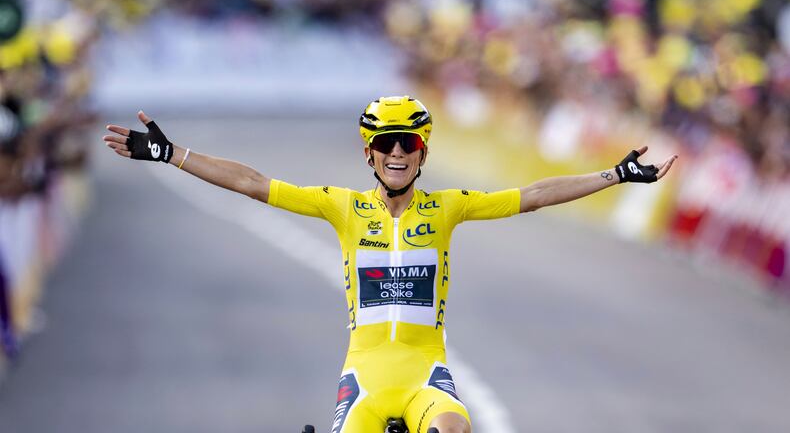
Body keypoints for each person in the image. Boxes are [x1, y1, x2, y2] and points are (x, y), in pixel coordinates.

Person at [102, 96, 677, 433]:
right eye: (387, 144)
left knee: (455, 429)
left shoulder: (449, 207)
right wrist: (171, 153)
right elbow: (252, 183)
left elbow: (534, 194)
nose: (397, 153)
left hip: (426, 374)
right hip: (366, 377)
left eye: (408, 144)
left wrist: (614, 175)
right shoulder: (341, 206)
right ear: (369, 153)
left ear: (422, 153)